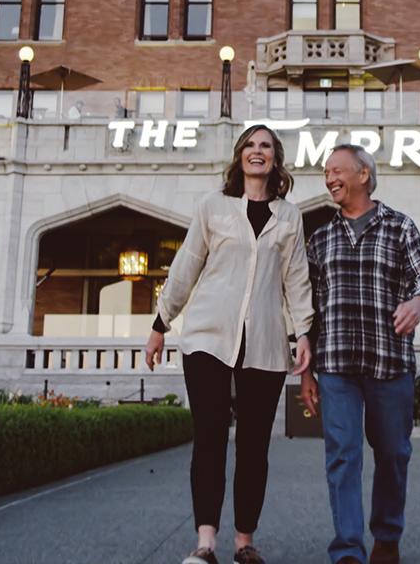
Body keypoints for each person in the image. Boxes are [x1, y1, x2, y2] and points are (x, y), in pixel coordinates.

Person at [145, 124, 313, 564]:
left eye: (266, 147)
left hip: (266, 344)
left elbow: (296, 279)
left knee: (255, 445)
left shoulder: (289, 216)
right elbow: (185, 266)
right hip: (207, 338)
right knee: (210, 438)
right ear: (240, 156)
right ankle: (205, 542)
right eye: (251, 146)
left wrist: (304, 333)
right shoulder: (212, 207)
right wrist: (161, 322)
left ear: (276, 159)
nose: (258, 152)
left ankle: (244, 541)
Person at [301, 144, 420, 564]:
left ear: (363, 174)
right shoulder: (320, 237)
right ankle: (347, 549)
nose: (329, 179)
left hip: (389, 362)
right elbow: (308, 307)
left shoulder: (400, 227)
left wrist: (418, 304)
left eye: (337, 170)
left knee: (393, 453)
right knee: (343, 454)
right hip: (336, 365)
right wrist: (306, 373)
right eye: (326, 173)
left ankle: (387, 536)